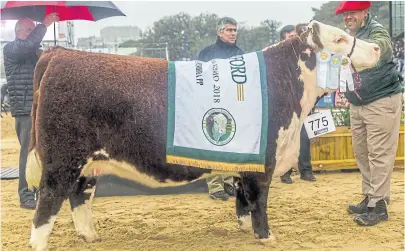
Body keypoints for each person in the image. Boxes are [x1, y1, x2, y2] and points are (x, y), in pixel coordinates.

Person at [335, 1, 403, 226]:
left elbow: (382, 47)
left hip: (381, 100)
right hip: (359, 101)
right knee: (362, 152)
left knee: (379, 154)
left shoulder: (375, 30)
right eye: (345, 14)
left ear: (365, 12)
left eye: (352, 13)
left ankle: (379, 206)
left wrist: (362, 47)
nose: (348, 17)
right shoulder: (347, 35)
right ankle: (370, 196)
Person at [3, 13, 59, 210]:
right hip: (25, 110)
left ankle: (40, 191)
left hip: (37, 107)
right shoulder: (11, 48)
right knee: (28, 151)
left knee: (41, 150)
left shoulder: (32, 51)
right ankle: (26, 193)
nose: (34, 32)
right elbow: (26, 47)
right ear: (18, 33)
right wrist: (43, 25)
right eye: (30, 29)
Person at [197, 17, 244, 200]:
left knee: (230, 143)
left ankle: (228, 182)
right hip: (211, 105)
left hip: (233, 104)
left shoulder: (241, 53)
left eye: (234, 30)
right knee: (213, 144)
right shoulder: (207, 53)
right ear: (219, 32)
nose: (233, 33)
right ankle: (215, 185)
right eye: (229, 30)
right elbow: (198, 78)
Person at [278, 24, 317, 184]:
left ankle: (306, 170)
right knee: (286, 138)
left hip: (304, 102)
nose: (293, 38)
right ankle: (284, 172)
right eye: (289, 36)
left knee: (305, 136)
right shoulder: (278, 56)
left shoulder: (306, 54)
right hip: (285, 103)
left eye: (295, 35)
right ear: (283, 39)